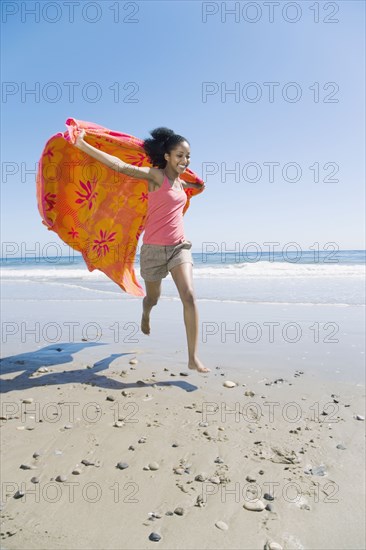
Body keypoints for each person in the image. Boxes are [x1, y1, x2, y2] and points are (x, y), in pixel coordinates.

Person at [75, 126, 210, 373]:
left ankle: (192, 357)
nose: (185, 160)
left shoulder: (182, 182)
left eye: (188, 156)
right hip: (153, 251)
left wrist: (198, 185)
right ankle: (146, 313)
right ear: (167, 156)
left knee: (189, 295)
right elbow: (120, 166)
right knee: (152, 298)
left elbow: (196, 187)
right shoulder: (155, 176)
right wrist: (83, 145)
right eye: (179, 155)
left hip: (180, 247)